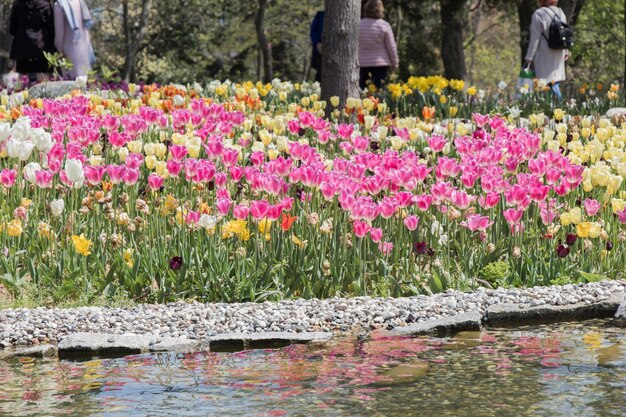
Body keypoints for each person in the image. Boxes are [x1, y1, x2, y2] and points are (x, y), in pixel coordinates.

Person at [524, 0, 569, 100]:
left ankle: (560, 104)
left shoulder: (539, 14)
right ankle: (554, 107)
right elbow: (565, 34)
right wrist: (566, 51)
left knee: (546, 82)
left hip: (544, 53)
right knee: (554, 81)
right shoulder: (561, 13)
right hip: (559, 52)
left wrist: (529, 57)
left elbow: (534, 39)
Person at [9, 0, 56, 84]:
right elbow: (51, 29)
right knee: (42, 83)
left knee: (22, 84)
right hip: (41, 48)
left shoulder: (17, 4)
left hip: (22, 49)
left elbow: (12, 29)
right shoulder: (45, 5)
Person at [359, 0, 398, 91]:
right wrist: (395, 63)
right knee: (379, 90)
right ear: (380, 10)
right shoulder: (384, 25)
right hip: (380, 63)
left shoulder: (359, 25)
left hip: (362, 63)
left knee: (362, 90)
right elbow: (391, 46)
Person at [53, 0, 94, 79]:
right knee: (86, 81)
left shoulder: (59, 5)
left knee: (72, 84)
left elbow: (59, 34)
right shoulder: (80, 2)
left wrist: (58, 48)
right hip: (84, 50)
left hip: (68, 51)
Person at [310, 10, 324, 83]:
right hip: (320, 50)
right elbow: (313, 31)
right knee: (320, 74)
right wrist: (317, 43)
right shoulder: (320, 15)